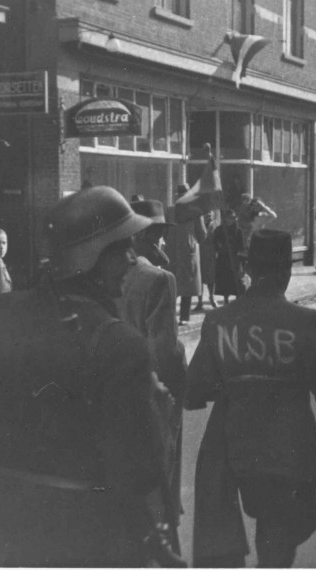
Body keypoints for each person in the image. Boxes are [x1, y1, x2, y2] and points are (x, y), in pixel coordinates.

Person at [0, 186, 178, 566]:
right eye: (120, 248)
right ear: (89, 258)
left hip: (7, 533)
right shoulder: (121, 345)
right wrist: (158, 415)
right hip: (91, 539)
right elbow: (139, 473)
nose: (130, 259)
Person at [186, 229, 316, 568]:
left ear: (248, 267)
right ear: (288, 271)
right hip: (290, 452)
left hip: (238, 452)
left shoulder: (218, 321)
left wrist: (235, 379)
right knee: (287, 526)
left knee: (270, 520)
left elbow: (194, 391)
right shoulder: (303, 322)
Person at [117, 197, 188, 554]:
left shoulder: (104, 274)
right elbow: (164, 351)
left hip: (109, 397)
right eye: (159, 235)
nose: (163, 243)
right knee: (161, 478)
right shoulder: (158, 279)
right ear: (144, 237)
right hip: (149, 397)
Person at [166, 184, 207, 326]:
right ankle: (181, 316)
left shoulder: (173, 211)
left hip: (178, 252)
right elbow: (202, 235)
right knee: (182, 284)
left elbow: (201, 234)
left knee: (179, 284)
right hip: (183, 252)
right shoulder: (193, 211)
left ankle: (178, 316)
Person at [214, 208, 246, 304]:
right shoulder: (219, 230)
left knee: (236, 281)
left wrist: (241, 262)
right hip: (223, 259)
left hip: (234, 259)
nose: (230, 220)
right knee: (224, 281)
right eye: (228, 218)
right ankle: (226, 300)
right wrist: (220, 246)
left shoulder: (238, 231)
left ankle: (238, 300)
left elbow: (241, 247)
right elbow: (215, 243)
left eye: (232, 218)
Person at [131, 195, 172, 268]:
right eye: (156, 231)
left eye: (161, 231)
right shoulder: (142, 249)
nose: (159, 236)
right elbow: (163, 260)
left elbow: (164, 260)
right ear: (143, 231)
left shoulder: (152, 247)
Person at [196, 210, 218, 311]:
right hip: (200, 253)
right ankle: (200, 302)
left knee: (211, 278)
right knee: (199, 278)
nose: (208, 214)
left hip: (211, 254)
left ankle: (212, 298)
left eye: (210, 212)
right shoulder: (199, 225)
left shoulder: (215, 224)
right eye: (206, 212)